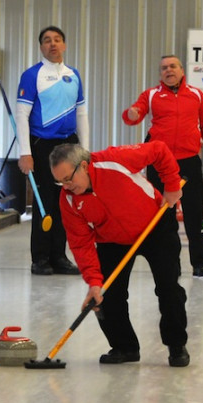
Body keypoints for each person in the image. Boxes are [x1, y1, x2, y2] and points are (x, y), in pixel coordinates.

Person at [49, 141, 190, 367]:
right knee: (105, 294)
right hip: (112, 239)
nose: (66, 186)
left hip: (154, 225)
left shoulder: (113, 160)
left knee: (168, 288)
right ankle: (125, 347)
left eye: (68, 179)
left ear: (84, 166)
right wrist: (94, 282)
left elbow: (160, 150)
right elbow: (81, 244)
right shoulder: (68, 201)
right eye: (60, 182)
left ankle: (176, 345)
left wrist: (172, 185)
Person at [122, 55, 203, 278]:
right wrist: (131, 114)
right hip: (160, 164)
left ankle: (199, 264)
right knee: (164, 219)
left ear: (182, 70)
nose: (169, 70)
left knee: (195, 217)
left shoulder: (196, 95)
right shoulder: (151, 95)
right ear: (160, 74)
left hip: (189, 162)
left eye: (173, 66)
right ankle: (169, 265)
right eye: (164, 67)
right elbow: (132, 116)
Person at [16, 26, 89, 276]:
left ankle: (59, 256)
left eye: (57, 40)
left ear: (64, 45)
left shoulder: (74, 74)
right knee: (44, 203)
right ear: (41, 47)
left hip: (70, 145)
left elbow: (81, 113)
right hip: (42, 146)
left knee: (66, 203)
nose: (52, 44)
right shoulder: (32, 75)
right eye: (47, 41)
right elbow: (22, 115)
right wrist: (25, 153)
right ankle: (40, 258)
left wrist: (85, 151)